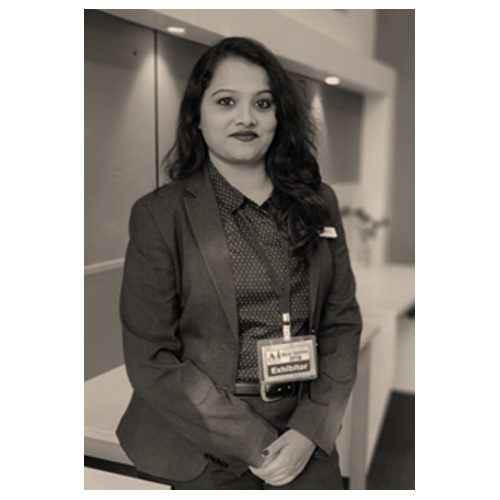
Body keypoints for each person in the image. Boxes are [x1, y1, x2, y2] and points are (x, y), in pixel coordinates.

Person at [116, 36, 362, 490]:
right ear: (197, 114)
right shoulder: (160, 215)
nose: (246, 117)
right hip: (203, 441)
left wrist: (311, 428)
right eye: (226, 101)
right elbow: (150, 356)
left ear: (278, 116)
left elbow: (341, 322)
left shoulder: (316, 202)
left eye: (262, 103)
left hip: (304, 430)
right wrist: (255, 443)